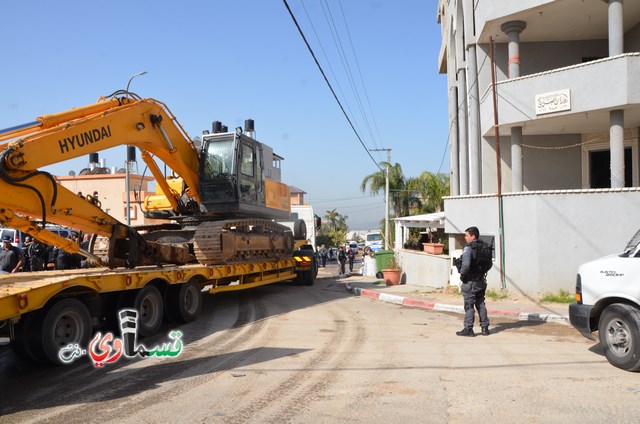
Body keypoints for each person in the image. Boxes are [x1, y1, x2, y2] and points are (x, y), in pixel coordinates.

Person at [456, 226, 490, 337]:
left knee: (469, 305)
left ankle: (468, 329)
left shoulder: (469, 248)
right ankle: (485, 328)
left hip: (470, 281)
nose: (465, 238)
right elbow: (489, 264)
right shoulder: (484, 247)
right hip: (481, 281)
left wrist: (462, 273)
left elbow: (465, 265)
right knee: (480, 303)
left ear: (473, 236)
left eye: (466, 235)